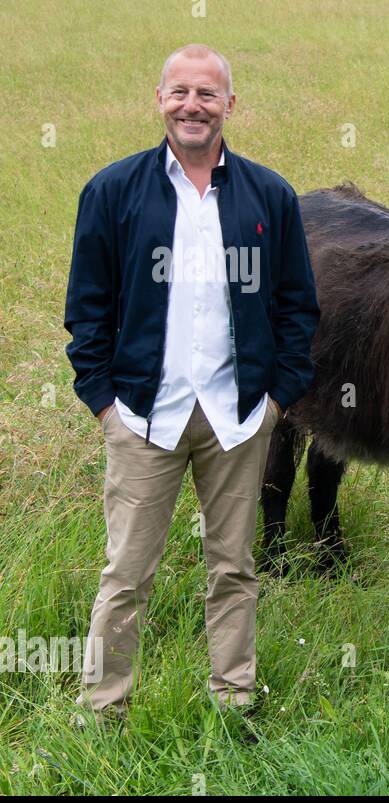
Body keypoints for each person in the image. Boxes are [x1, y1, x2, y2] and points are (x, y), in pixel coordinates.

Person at [63, 44, 319, 722]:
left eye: (208, 94)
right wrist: (104, 404)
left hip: (237, 418)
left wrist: (276, 402)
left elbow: (299, 306)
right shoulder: (113, 191)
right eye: (180, 92)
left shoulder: (269, 195)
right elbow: (86, 307)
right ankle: (103, 707)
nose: (192, 105)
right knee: (126, 575)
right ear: (160, 100)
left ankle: (234, 700)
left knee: (233, 569)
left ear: (230, 105)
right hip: (144, 417)